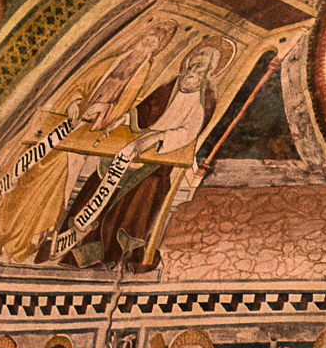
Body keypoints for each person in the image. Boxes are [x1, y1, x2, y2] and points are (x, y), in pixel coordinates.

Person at [0, 18, 179, 263]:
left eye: (153, 45)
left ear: (155, 51)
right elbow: (80, 86)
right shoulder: (111, 62)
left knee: (54, 187)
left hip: (82, 137)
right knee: (24, 175)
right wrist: (76, 103)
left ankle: (27, 239)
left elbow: (123, 107)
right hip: (62, 126)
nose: (147, 46)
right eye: (146, 40)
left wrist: (102, 113)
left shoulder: (139, 75)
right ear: (138, 39)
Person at [47, 40, 226, 269]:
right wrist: (123, 120)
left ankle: (116, 255)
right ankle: (74, 251)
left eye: (203, 63)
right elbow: (146, 109)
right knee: (99, 179)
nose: (195, 66)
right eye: (196, 59)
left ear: (210, 69)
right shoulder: (172, 85)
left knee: (144, 191)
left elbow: (189, 132)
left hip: (160, 157)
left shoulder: (206, 96)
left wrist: (155, 138)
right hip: (135, 144)